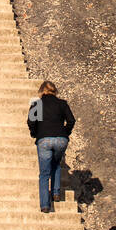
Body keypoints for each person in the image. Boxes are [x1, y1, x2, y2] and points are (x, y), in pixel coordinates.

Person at [27, 79, 75, 213]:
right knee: (56, 163)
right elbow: (71, 120)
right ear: (55, 91)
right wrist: (65, 132)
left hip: (44, 139)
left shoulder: (38, 104)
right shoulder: (62, 104)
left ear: (42, 91)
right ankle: (56, 193)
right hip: (60, 139)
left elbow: (31, 121)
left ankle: (45, 205)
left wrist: (35, 133)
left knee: (44, 173)